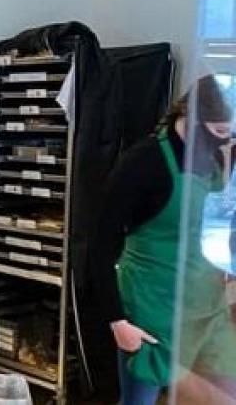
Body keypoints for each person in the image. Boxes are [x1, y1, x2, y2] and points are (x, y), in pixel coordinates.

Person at [90, 75, 236, 404]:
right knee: (140, 400)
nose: (222, 142)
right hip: (151, 309)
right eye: (218, 132)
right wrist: (118, 321)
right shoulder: (142, 163)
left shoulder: (216, 159)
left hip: (206, 306)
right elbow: (99, 246)